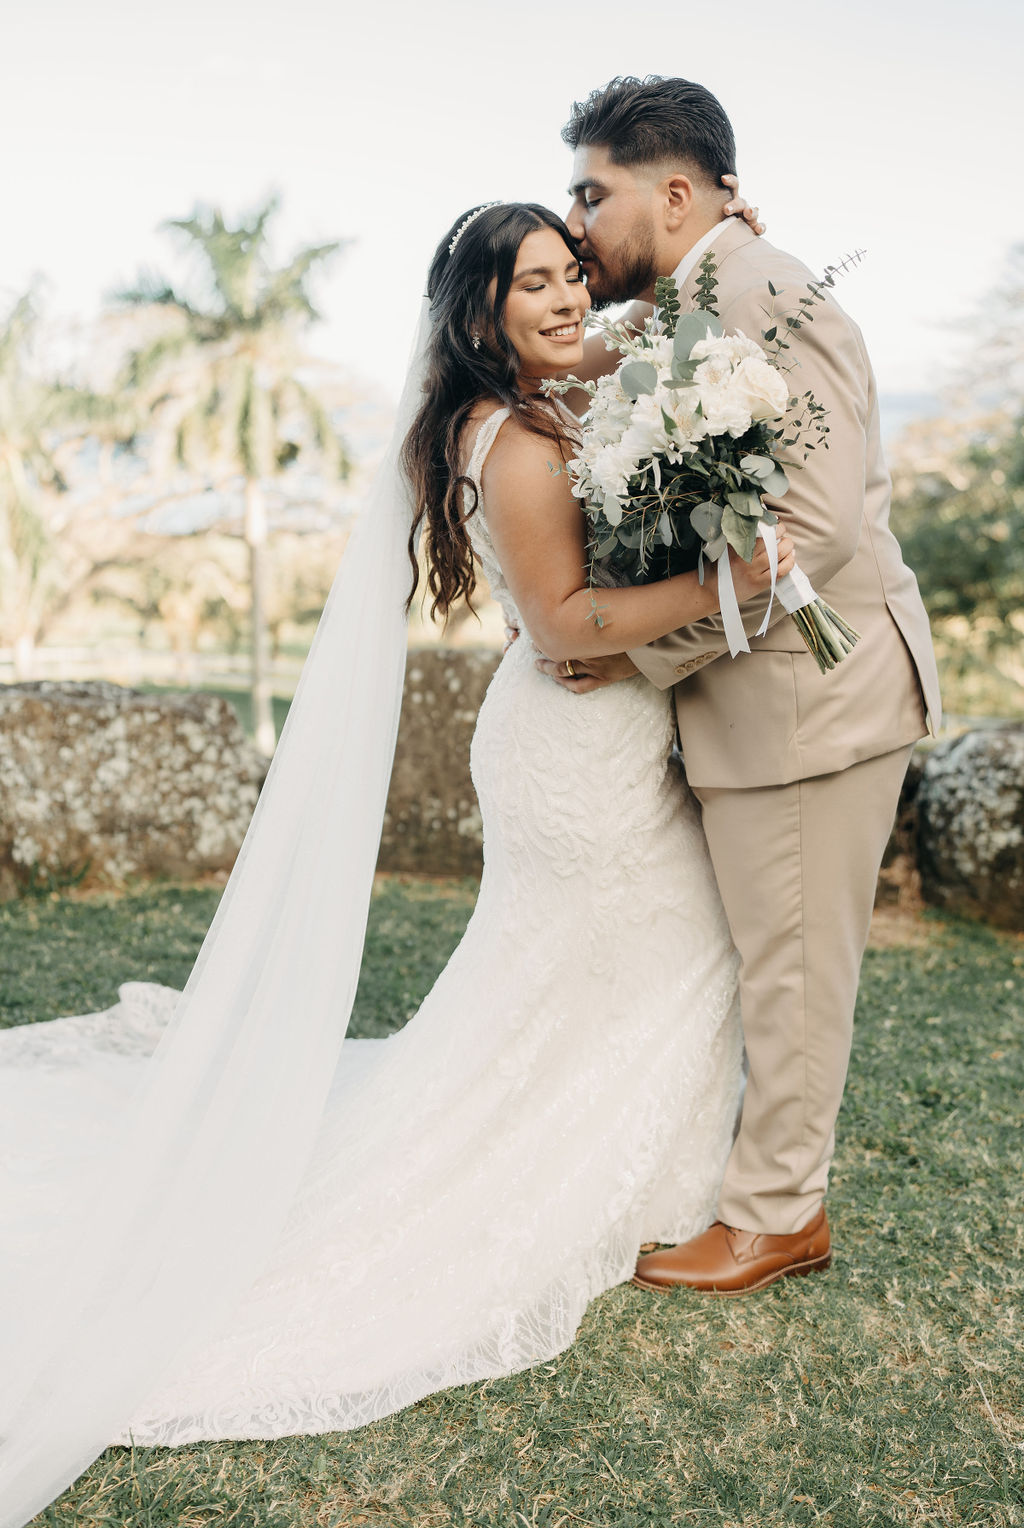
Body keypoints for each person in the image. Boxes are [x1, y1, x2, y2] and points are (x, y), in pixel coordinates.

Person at [0, 190, 784, 1525]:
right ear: (478, 311)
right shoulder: (520, 448)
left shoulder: (520, 402)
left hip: (580, 749)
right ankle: (592, 1170)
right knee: (647, 955)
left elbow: (637, 349)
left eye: (566, 277)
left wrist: (715, 273)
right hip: (575, 747)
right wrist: (736, 585)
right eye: (530, 282)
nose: (560, 302)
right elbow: (567, 628)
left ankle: (651, 1163)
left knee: (593, 975)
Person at [535, 76, 942, 1295]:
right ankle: (762, 1193)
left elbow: (805, 531)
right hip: (769, 704)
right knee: (772, 959)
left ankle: (777, 1216)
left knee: (796, 971)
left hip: (814, 707)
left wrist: (640, 648)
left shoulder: (760, 293)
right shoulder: (702, 293)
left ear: (673, 193)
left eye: (590, 193)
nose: (573, 224)